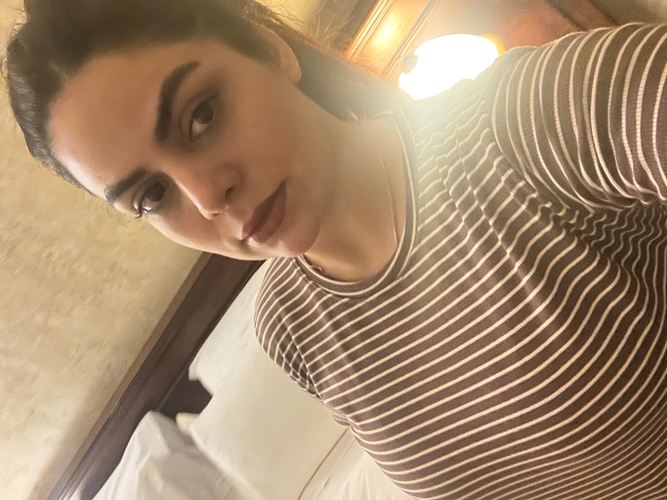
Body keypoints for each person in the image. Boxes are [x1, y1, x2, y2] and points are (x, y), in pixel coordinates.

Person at [5, 0, 667, 498]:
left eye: (202, 114)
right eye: (152, 195)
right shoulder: (291, 325)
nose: (208, 196)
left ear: (272, 51)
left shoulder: (525, 118)